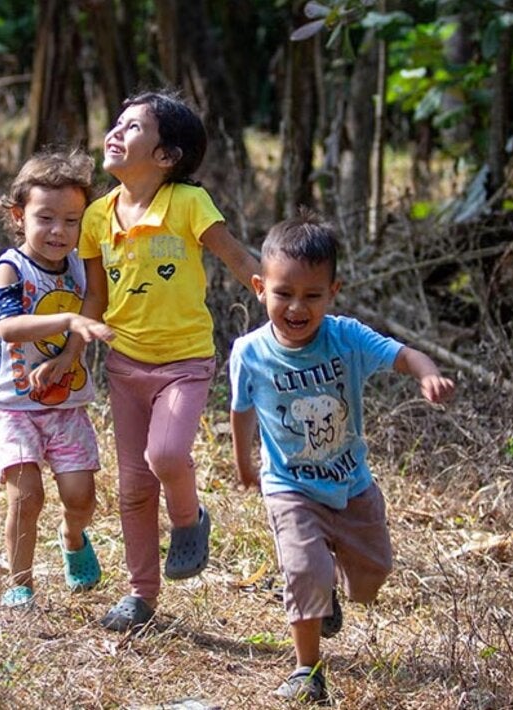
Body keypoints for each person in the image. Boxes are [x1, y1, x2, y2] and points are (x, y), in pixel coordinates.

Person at [229, 213, 455, 702]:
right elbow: (242, 410)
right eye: (284, 293)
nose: (296, 306)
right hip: (289, 486)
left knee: (371, 580)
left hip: (351, 484)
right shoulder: (249, 352)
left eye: (312, 295)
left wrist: (427, 374)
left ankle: (333, 587)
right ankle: (306, 672)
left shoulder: (347, 336)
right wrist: (244, 463)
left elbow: (405, 354)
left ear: (333, 292)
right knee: (305, 570)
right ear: (259, 287)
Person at [69, 90, 260, 631]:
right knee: (132, 486)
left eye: (133, 127)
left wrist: (272, 291)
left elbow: (235, 256)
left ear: (166, 157)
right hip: (124, 365)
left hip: (184, 361)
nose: (116, 132)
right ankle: (141, 595)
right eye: (117, 122)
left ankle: (188, 518)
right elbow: (95, 298)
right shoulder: (96, 217)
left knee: (168, 456)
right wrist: (72, 351)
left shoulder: (187, 204)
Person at [0, 149, 115, 608]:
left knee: (80, 495)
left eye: (71, 220)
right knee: (27, 496)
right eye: (46, 218)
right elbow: (8, 327)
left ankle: (73, 536)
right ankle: (20, 583)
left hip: (67, 403)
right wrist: (67, 325)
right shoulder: (11, 268)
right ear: (19, 216)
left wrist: (68, 357)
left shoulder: (81, 266)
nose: (59, 231)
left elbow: (94, 303)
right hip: (15, 404)